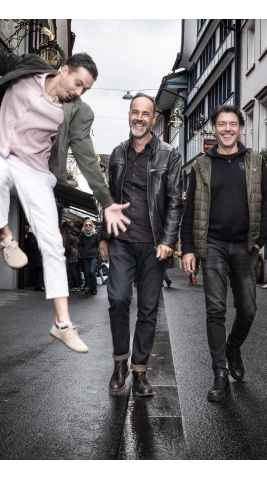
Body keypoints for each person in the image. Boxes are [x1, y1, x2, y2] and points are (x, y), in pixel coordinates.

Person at [0, 18, 130, 354]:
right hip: (1, 150)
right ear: (63, 70)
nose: (78, 92)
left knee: (53, 246)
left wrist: (106, 201)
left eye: (85, 89)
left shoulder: (76, 112)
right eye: (77, 83)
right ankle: (5, 237)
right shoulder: (28, 68)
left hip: (35, 170)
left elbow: (86, 156)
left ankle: (62, 324)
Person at [180, 105, 267, 402]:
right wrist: (188, 248)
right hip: (213, 245)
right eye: (222, 124)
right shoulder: (201, 165)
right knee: (215, 310)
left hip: (245, 246)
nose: (228, 129)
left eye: (233, 124)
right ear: (214, 129)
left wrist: (259, 241)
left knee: (248, 309)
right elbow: (190, 210)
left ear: (241, 128)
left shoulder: (255, 162)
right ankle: (219, 373)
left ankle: (233, 347)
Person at [99, 93, 183, 397]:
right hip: (121, 241)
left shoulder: (169, 155)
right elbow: (108, 198)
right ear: (129, 115)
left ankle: (140, 371)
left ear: (153, 119)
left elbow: (175, 202)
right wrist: (103, 235)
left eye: (145, 114)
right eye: (135, 112)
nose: (139, 118)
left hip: (153, 244)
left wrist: (168, 240)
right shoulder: (117, 154)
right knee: (118, 299)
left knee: (148, 308)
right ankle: (120, 362)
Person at [78, 218, 100, 295]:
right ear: (84, 226)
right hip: (85, 256)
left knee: (91, 271)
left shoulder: (96, 235)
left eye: (89, 225)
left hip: (94, 256)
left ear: (92, 226)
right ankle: (90, 288)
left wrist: (97, 253)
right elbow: (80, 245)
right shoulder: (82, 235)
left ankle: (94, 288)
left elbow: (99, 245)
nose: (88, 226)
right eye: (86, 225)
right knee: (87, 273)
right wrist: (82, 252)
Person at [65, 221, 82, 291]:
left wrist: (66, 254)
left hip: (72, 254)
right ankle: (80, 284)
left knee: (73, 270)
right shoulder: (80, 233)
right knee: (78, 270)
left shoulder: (69, 235)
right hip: (79, 253)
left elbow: (68, 247)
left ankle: (76, 285)